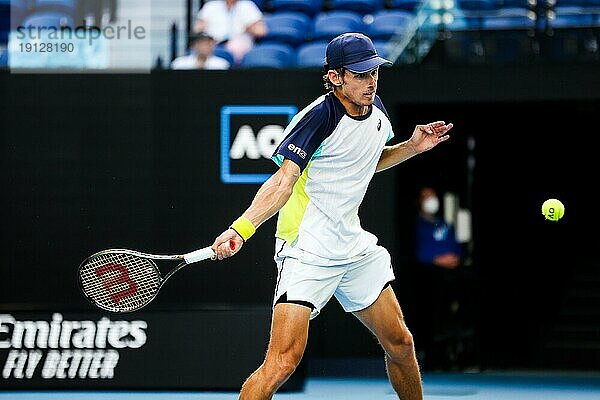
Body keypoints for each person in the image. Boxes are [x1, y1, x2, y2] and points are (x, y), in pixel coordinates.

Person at [211, 32, 453, 400]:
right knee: (281, 363)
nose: (370, 81)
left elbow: (367, 161)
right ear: (335, 76)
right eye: (360, 74)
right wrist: (240, 229)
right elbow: (282, 182)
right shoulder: (318, 118)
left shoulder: (378, 112)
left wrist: (412, 147)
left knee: (401, 344)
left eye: (374, 72)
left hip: (352, 246)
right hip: (307, 248)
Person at [412, 186, 470, 371]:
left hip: (452, 278)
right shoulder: (417, 225)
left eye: (433, 196)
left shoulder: (445, 224)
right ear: (419, 202)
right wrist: (436, 260)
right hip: (429, 280)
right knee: (430, 317)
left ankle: (456, 356)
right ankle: (431, 358)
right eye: (426, 197)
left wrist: (454, 258)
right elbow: (420, 252)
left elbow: (457, 249)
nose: (431, 200)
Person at [193, 0, 268, 65]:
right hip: (213, 41)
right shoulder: (211, 6)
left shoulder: (248, 6)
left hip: (239, 41)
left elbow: (261, 31)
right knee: (202, 46)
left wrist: (248, 26)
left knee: (236, 47)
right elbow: (197, 29)